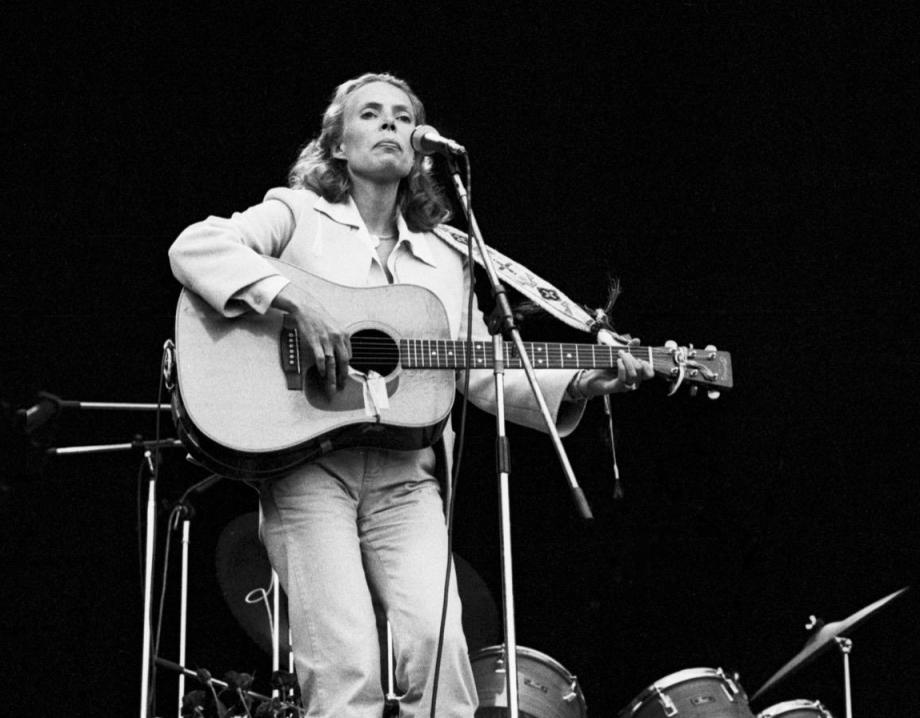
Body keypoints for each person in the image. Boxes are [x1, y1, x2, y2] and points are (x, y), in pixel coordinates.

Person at [169, 72, 653, 718]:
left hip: (407, 481)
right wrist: (295, 299)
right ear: (337, 144)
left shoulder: (446, 255)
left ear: (422, 147)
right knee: (345, 665)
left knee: (439, 648)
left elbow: (481, 371)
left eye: (403, 116)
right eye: (371, 114)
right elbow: (196, 245)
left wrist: (580, 380)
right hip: (308, 472)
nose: (391, 124)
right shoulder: (299, 214)